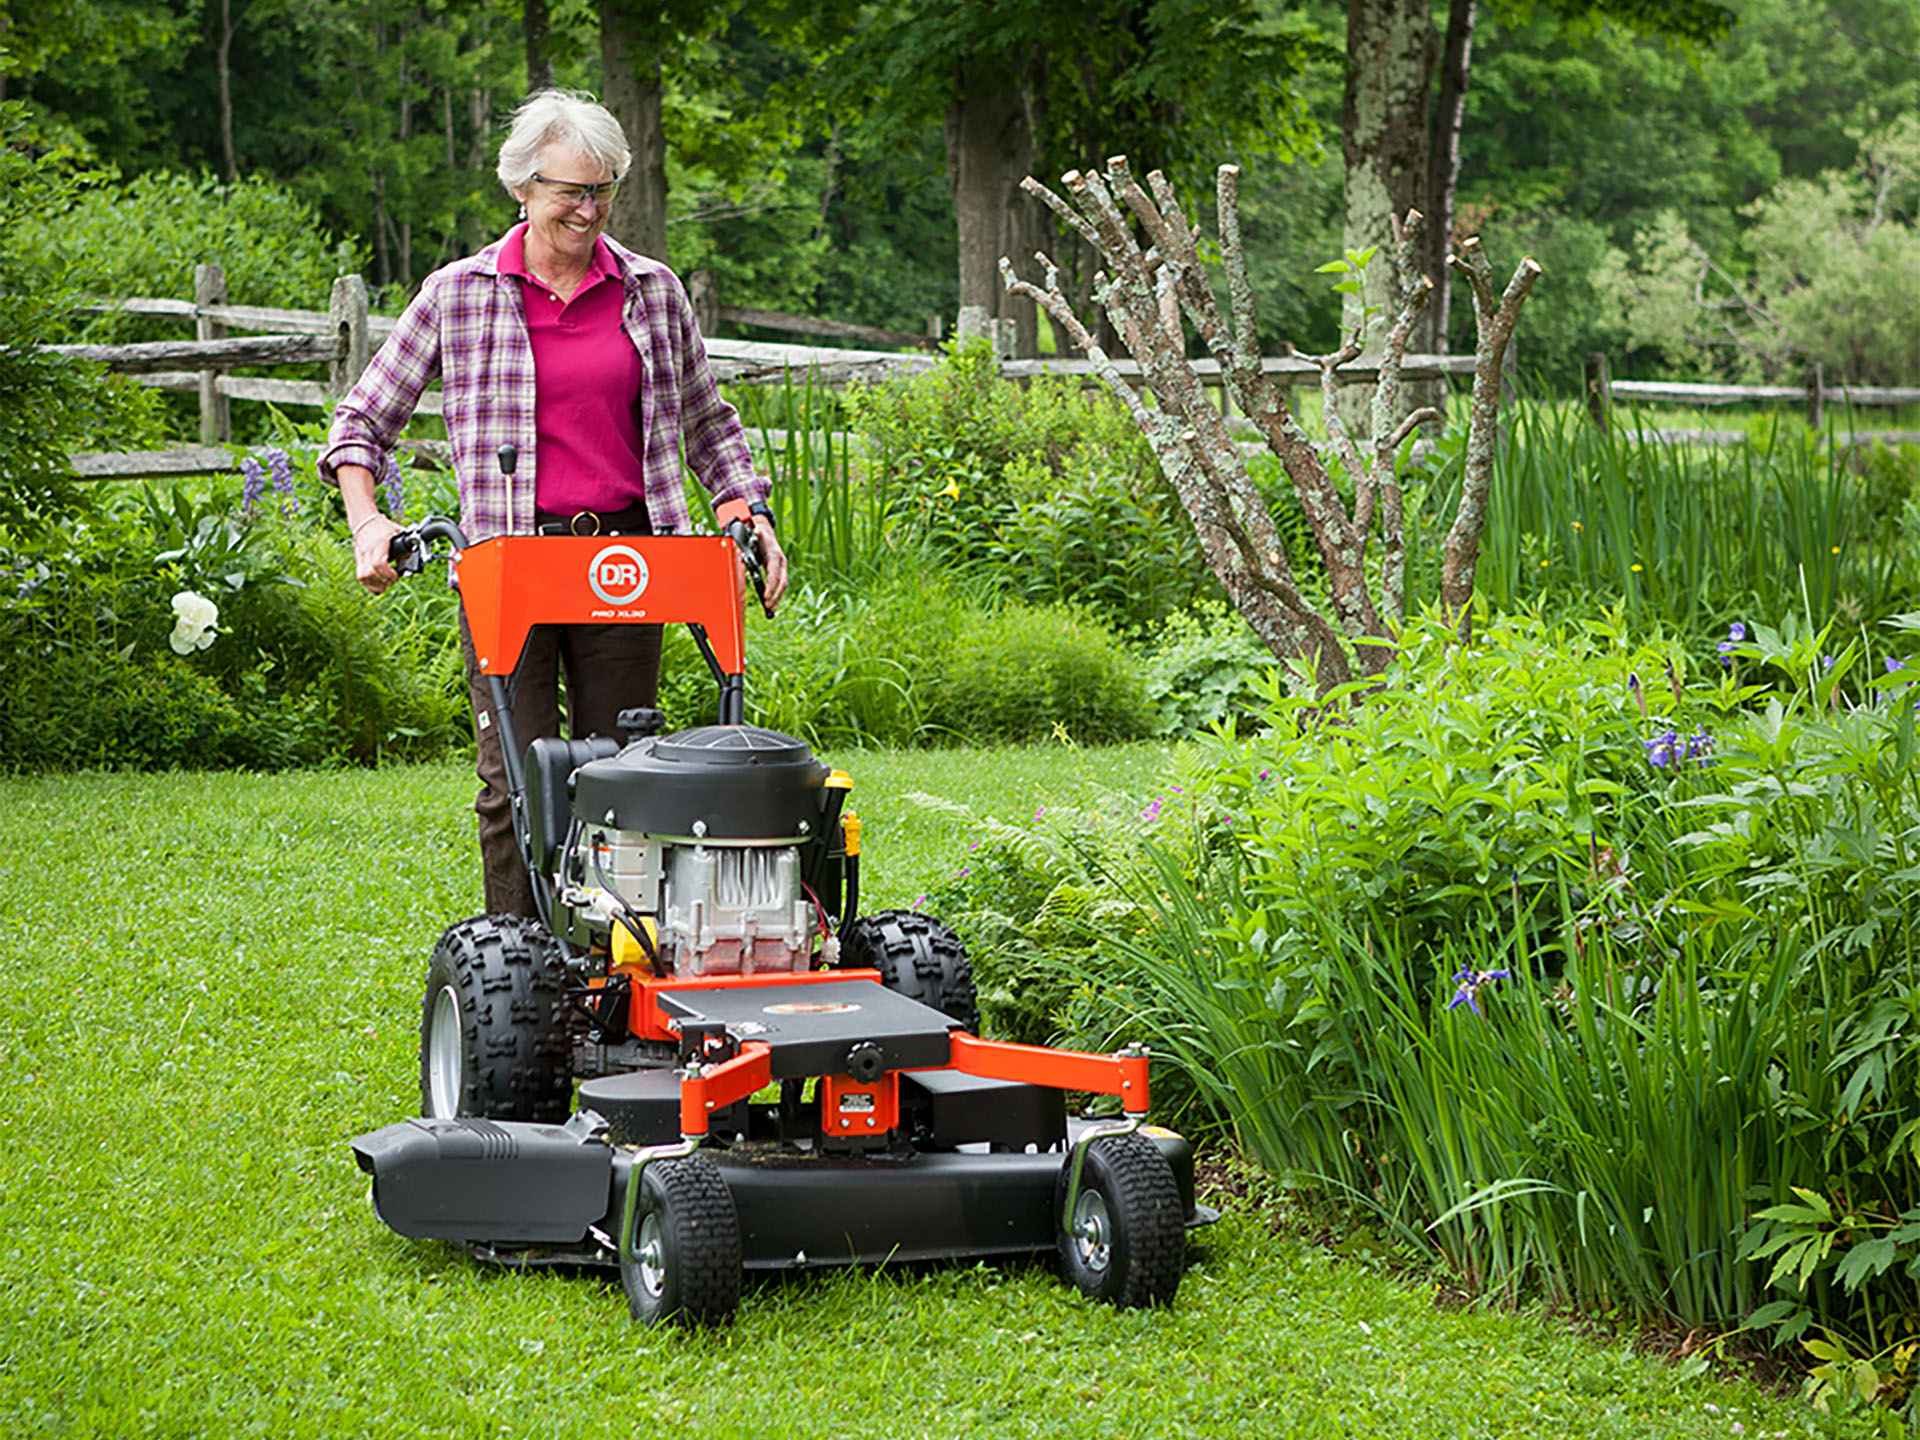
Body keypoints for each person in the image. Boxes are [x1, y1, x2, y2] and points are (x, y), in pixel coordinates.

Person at [321, 88, 789, 919]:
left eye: (603, 189)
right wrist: (369, 522)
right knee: (515, 780)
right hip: (511, 564)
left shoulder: (651, 291)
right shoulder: (457, 294)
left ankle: (619, 968)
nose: (590, 207)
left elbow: (708, 423)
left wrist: (746, 515)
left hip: (627, 562)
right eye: (572, 189)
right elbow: (361, 422)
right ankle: (522, 966)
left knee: (627, 776)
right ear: (522, 188)